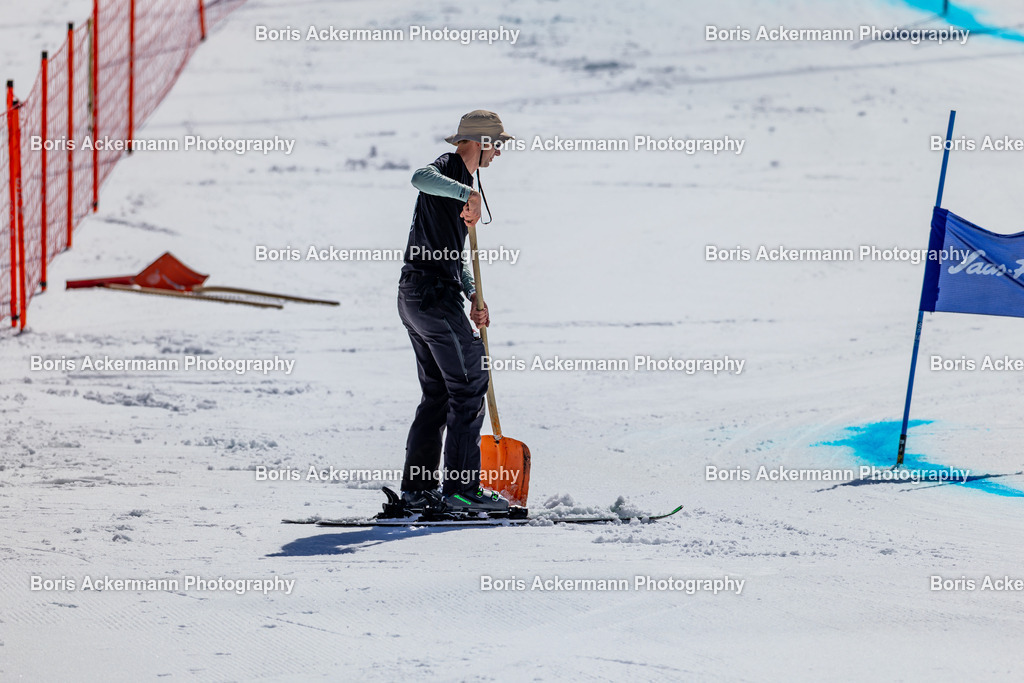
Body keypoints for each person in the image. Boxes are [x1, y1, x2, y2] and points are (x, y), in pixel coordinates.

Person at [397, 110, 513, 516]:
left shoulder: (462, 186)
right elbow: (417, 177)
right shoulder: (447, 171)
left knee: (441, 392)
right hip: (429, 295)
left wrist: (473, 293)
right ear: (479, 142)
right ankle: (462, 490)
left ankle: (418, 489)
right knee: (470, 381)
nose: (497, 153)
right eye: (496, 144)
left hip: (419, 295)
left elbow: (455, 256)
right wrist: (468, 195)